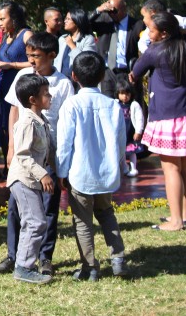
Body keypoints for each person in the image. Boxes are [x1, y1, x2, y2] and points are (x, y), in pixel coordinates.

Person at [0, 32, 74, 276]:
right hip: (24, 154)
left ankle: (44, 257)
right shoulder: (23, 76)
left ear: (52, 56)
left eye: (37, 56)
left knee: (48, 208)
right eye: (28, 55)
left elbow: (67, 122)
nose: (31, 61)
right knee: (17, 206)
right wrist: (11, 148)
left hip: (48, 154)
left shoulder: (63, 84)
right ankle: (14, 255)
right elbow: (13, 112)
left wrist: (60, 161)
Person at [131, 12, 186, 230]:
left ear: (164, 33)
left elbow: (135, 72)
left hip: (167, 115)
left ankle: (175, 221)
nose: (148, 33)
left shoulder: (155, 51)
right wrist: (185, 35)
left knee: (171, 168)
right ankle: (184, 215)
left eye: (152, 30)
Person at [57, 51, 127, 281]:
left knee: (83, 222)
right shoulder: (113, 105)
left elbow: (65, 144)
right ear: (101, 76)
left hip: (80, 174)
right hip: (107, 173)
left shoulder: (71, 105)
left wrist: (61, 172)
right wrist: (120, 166)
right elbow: (120, 141)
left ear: (73, 75)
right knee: (106, 213)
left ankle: (90, 267)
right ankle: (118, 257)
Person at [3, 74, 55, 285]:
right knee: (35, 221)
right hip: (22, 180)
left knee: (33, 221)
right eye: (45, 94)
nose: (50, 96)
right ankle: (23, 267)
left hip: (30, 180)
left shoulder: (41, 121)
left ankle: (25, 264)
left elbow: (46, 152)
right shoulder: (26, 122)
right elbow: (22, 155)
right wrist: (42, 174)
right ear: (32, 99)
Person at [0, 2, 32, 161]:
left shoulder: (26, 35)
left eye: (3, 19)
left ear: (14, 18)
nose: (0, 23)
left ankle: (19, 160)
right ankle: (7, 161)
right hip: (3, 86)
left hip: (19, 87)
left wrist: (12, 65)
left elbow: (35, 61)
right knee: (3, 124)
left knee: (17, 124)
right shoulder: (6, 36)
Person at [116, 77, 146, 177]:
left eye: (127, 94)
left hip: (130, 132)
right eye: (122, 93)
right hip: (120, 133)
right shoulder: (115, 104)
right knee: (122, 152)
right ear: (118, 94)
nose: (125, 96)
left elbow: (139, 118)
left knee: (132, 151)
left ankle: (133, 168)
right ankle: (124, 168)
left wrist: (138, 131)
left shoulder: (134, 105)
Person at [55, 8, 97, 77]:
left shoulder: (88, 39)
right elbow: (57, 61)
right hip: (61, 79)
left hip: (78, 81)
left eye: (68, 19)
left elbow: (86, 62)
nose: (65, 21)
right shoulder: (62, 39)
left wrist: (72, 46)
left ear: (77, 21)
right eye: (65, 18)